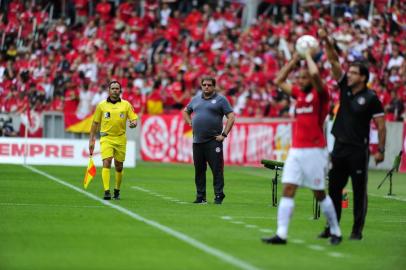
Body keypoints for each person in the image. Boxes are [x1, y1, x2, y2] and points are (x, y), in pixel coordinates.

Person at [262, 50, 342, 245]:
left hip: (315, 151)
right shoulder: (299, 94)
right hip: (296, 150)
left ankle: (335, 230)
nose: (300, 80)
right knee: (288, 189)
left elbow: (315, 75)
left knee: (319, 193)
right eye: (299, 77)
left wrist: (307, 55)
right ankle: (281, 234)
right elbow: (279, 80)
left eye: (303, 77)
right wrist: (294, 60)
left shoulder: (322, 94)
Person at [318, 29, 386, 240]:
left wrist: (380, 150)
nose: (350, 75)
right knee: (334, 190)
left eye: (355, 73)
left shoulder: (371, 97)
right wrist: (327, 42)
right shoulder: (345, 89)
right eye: (351, 72)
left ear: (364, 77)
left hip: (358, 150)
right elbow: (334, 63)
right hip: (339, 147)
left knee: (358, 191)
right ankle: (331, 227)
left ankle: (357, 230)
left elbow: (381, 126)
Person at [182, 76, 235, 204]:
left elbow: (231, 117)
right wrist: (190, 123)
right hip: (197, 141)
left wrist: (224, 134)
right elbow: (185, 111)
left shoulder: (221, 100)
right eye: (204, 84)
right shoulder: (195, 99)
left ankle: (218, 195)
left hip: (213, 141)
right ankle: (201, 196)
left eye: (209, 85)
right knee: (199, 170)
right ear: (201, 86)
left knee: (216, 170)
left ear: (214, 86)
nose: (206, 87)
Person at [89, 81, 138, 200]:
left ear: (120, 90)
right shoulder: (101, 105)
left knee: (119, 166)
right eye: (113, 88)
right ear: (109, 90)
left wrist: (133, 124)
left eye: (117, 88)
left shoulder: (126, 105)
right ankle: (106, 191)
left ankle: (117, 190)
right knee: (107, 161)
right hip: (106, 137)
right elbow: (95, 123)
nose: (115, 90)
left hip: (121, 138)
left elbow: (134, 119)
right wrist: (91, 140)